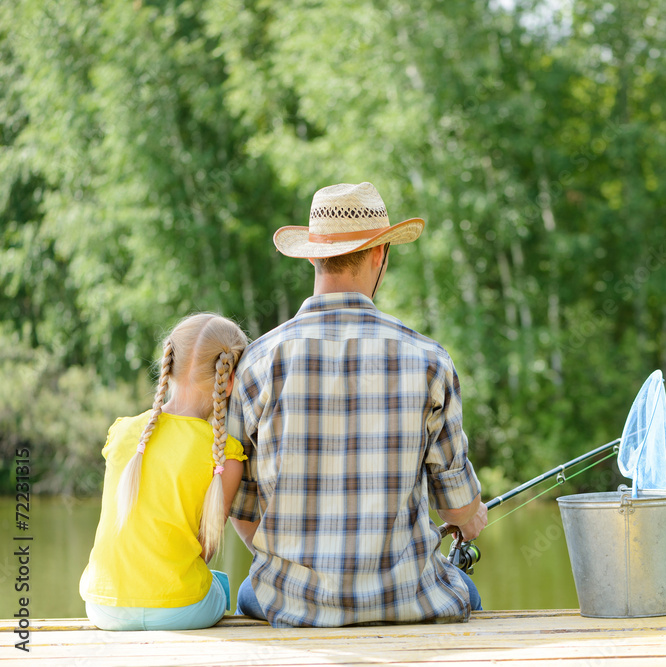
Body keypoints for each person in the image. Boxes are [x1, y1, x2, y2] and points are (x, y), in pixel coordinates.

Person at [227, 182, 487, 628]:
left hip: (288, 602)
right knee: (469, 593)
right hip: (409, 601)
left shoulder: (258, 362)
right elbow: (456, 510)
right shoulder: (429, 360)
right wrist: (472, 517)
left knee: (249, 588)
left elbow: (243, 511)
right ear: (378, 254)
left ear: (312, 255)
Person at [79, 314, 249, 631]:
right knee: (219, 584)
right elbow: (204, 550)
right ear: (229, 380)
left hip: (104, 607)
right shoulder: (225, 454)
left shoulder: (123, 432)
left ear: (167, 366)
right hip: (181, 610)